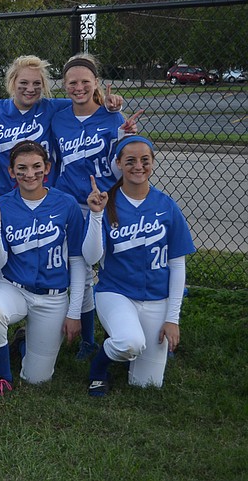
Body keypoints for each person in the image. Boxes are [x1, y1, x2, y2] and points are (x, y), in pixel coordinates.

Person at [83, 135, 195, 396]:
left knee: (147, 384)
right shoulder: (106, 201)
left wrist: (172, 318)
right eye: (130, 160)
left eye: (145, 160)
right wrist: (96, 216)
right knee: (130, 342)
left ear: (152, 163)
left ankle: (131, 351)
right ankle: (98, 368)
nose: (138, 166)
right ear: (119, 164)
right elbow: (90, 258)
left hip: (157, 299)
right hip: (117, 293)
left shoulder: (166, 206)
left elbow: (177, 266)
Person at [0, 140, 86, 400]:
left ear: (47, 168)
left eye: (37, 166)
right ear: (12, 171)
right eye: (22, 168)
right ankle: (4, 377)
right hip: (12, 286)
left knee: (37, 378)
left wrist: (74, 312)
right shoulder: (2, 204)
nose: (30, 174)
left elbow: (79, 261)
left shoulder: (66, 204)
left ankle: (23, 342)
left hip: (53, 296)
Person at [50, 53, 142, 360]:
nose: (78, 88)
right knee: (80, 266)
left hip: (103, 202)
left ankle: (123, 329)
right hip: (70, 203)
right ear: (64, 85)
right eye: (72, 83)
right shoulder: (59, 116)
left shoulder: (111, 116)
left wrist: (124, 132)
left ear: (97, 84)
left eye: (85, 82)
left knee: (108, 266)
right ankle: (87, 339)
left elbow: (119, 169)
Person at [0, 55, 124, 197]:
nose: (30, 89)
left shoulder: (53, 108)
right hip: (7, 195)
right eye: (23, 83)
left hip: (47, 196)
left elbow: (85, 103)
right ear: (12, 82)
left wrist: (108, 103)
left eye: (36, 83)